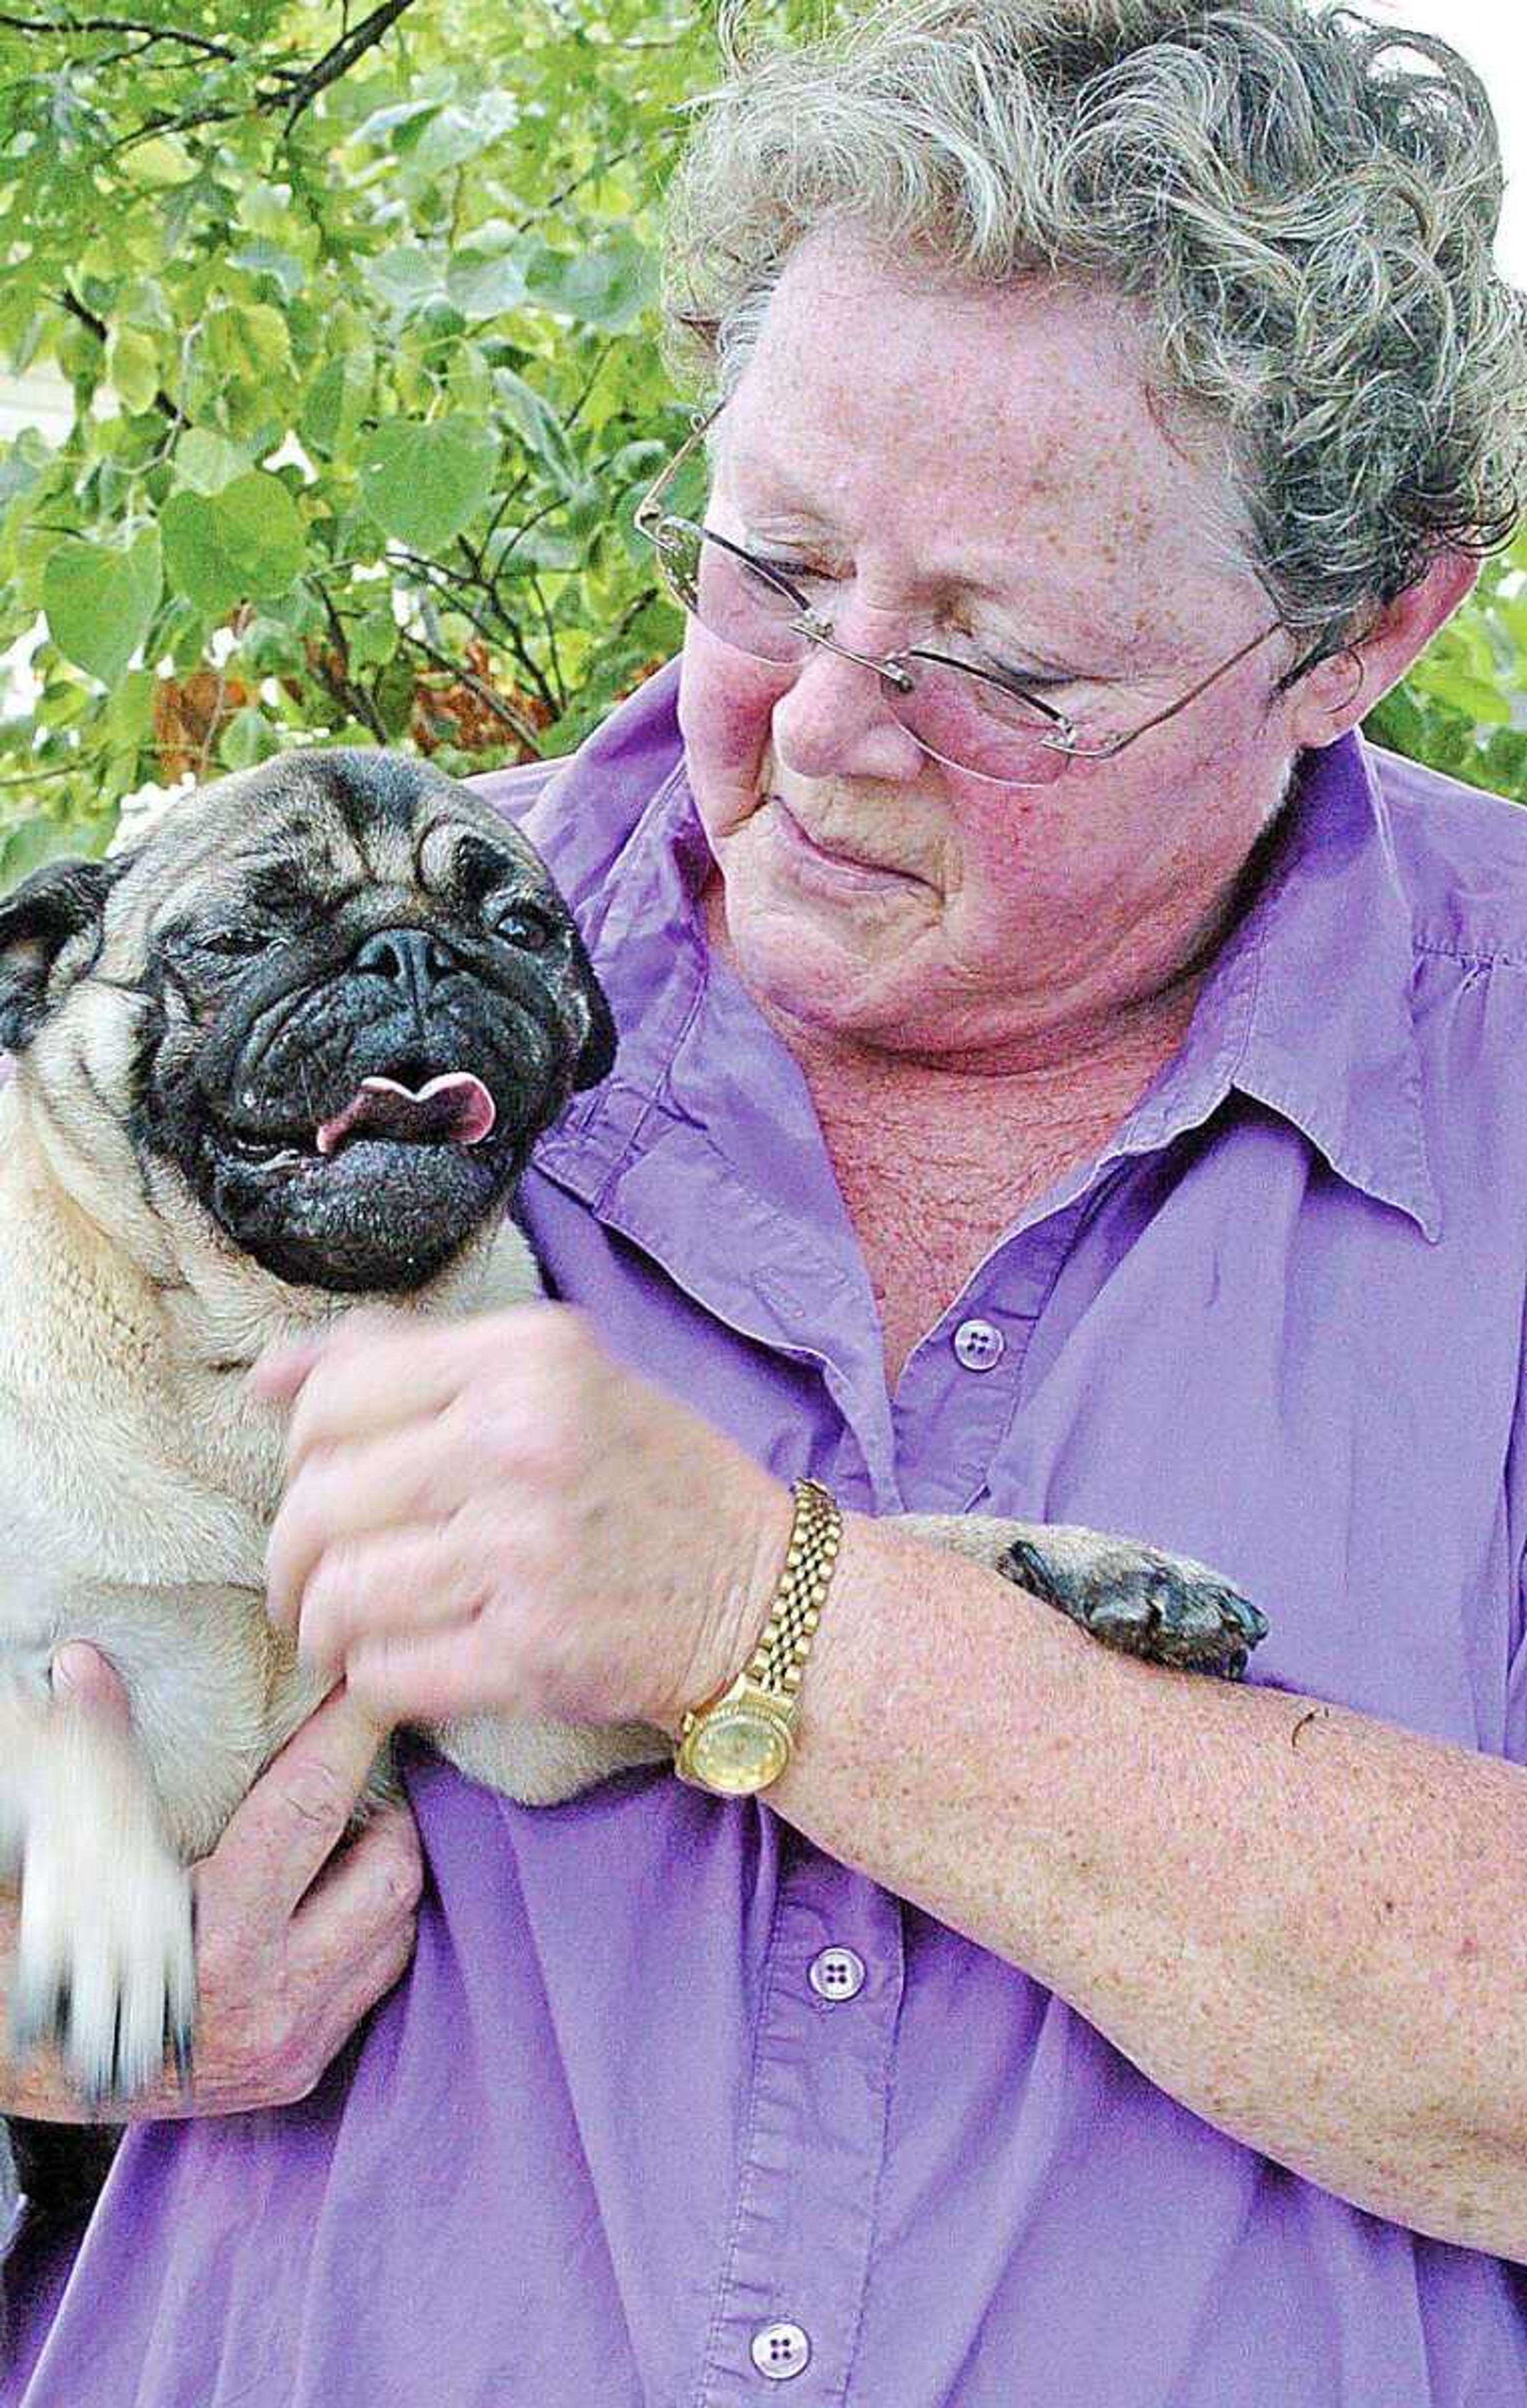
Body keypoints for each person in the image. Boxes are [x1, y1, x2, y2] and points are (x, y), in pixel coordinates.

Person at [6, 0, 1527, 2398]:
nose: (821, 724)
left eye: (1001, 668)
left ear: (1365, 634)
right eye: (769, 563)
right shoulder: (277, 982)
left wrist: (763, 1609)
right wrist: (53, 2009)